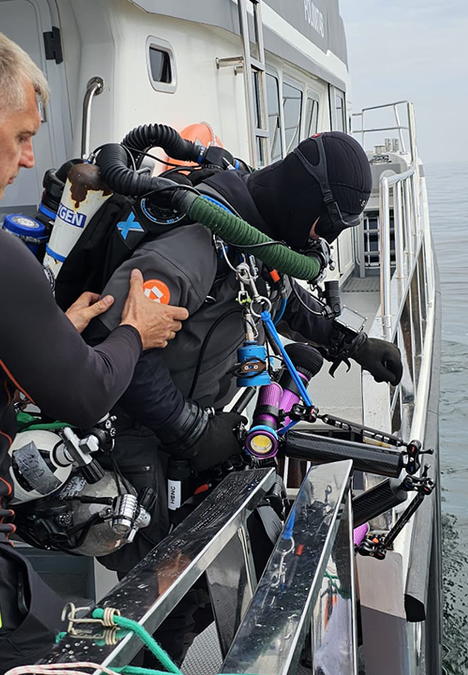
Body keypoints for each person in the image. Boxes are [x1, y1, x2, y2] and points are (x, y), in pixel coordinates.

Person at [82, 130, 403, 663]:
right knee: (164, 602)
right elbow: (112, 348)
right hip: (142, 447)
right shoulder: (194, 247)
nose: (324, 244)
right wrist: (191, 429)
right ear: (314, 214)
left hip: (194, 437)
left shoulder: (249, 234)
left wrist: (352, 342)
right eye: (332, 228)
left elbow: (279, 298)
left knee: (205, 588)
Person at [0, 24, 190, 675]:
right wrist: (132, 334)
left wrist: (44, 327)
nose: (31, 159)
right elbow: (86, 393)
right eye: (24, 136)